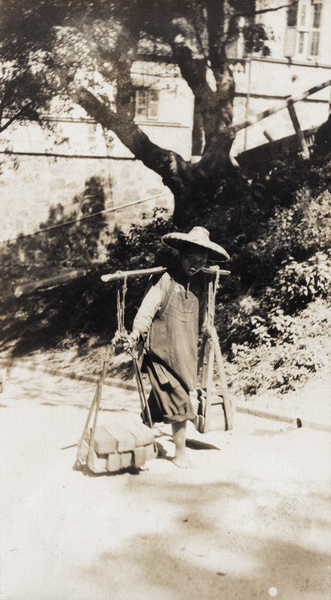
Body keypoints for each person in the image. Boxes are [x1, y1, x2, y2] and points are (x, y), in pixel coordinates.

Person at [125, 226, 229, 468]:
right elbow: (146, 311)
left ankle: (142, 434)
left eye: (201, 261)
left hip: (185, 352)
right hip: (160, 353)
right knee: (179, 398)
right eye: (191, 259)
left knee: (160, 399)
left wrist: (210, 273)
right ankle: (180, 453)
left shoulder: (202, 281)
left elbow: (205, 315)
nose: (195, 265)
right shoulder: (164, 280)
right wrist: (136, 333)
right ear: (180, 255)